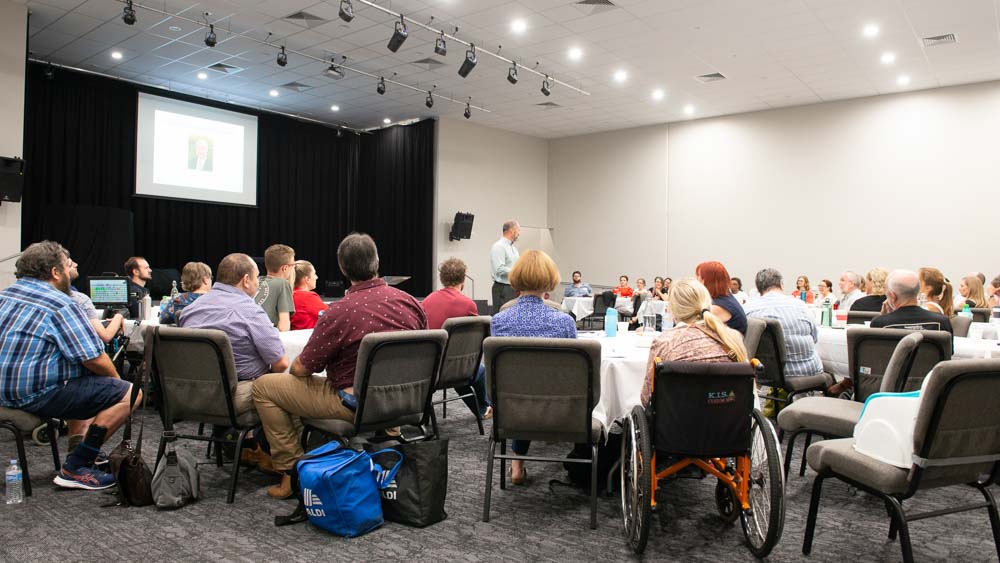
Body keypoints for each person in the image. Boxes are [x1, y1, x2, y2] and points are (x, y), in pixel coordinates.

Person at [252, 234, 426, 498]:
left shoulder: (339, 312)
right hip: (408, 401)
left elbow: (302, 369)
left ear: (342, 268)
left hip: (355, 405)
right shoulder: (411, 303)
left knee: (265, 387)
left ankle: (290, 472)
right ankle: (388, 435)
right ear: (377, 262)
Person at [0, 241, 138, 490]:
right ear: (55, 272)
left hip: (3, 391)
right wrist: (117, 383)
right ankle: (76, 466)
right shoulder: (61, 303)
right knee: (131, 393)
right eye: (66, 266)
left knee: (78, 379)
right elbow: (94, 357)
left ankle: (82, 451)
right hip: (32, 395)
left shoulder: (4, 295)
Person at [179, 254, 289, 455]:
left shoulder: (190, 310)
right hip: (232, 397)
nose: (257, 283)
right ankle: (277, 457)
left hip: (191, 396)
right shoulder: (250, 312)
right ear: (246, 280)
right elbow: (280, 363)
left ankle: (238, 445)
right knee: (288, 390)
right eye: (257, 277)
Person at [490, 249, 576, 486]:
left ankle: (517, 464)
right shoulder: (564, 322)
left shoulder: (498, 321)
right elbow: (573, 374)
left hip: (513, 408)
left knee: (522, 384)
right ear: (550, 280)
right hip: (558, 408)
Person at [641, 278, 748, 406]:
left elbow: (646, 398)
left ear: (673, 310)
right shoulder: (732, 338)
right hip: (729, 421)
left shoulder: (664, 341)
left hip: (677, 422)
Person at [422, 257, 489, 419]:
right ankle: (483, 408)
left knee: (460, 368)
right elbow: (478, 338)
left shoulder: (426, 301)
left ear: (442, 278)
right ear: (463, 278)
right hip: (456, 368)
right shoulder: (468, 304)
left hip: (428, 369)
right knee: (480, 371)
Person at [744, 268, 824, 378]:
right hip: (808, 373)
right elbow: (815, 338)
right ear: (781, 284)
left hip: (765, 374)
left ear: (758, 288)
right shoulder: (801, 306)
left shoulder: (747, 309)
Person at [871, 270, 953, 334]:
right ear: (917, 291)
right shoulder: (941, 321)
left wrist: (883, 317)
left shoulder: (880, 323)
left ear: (893, 296)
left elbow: (875, 352)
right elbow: (948, 352)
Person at [67, 260, 124, 343]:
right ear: (55, 272)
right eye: (70, 264)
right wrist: (119, 316)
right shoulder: (80, 299)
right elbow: (105, 336)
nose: (76, 264)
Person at [696, 261, 747, 335]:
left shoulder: (717, 307)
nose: (696, 280)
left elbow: (698, 334)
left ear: (707, 280)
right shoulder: (726, 299)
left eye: (698, 276)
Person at [254, 244, 296, 332]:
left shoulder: (257, 281)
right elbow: (284, 327)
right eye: (293, 264)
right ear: (285, 268)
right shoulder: (282, 283)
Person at [490, 220, 521, 313]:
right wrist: (518, 271)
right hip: (503, 289)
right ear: (512, 230)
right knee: (502, 317)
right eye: (518, 230)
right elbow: (499, 269)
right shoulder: (499, 246)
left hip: (513, 288)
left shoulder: (514, 249)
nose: (519, 233)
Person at [290, 260, 327, 330]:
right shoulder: (307, 297)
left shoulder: (290, 294)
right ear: (307, 279)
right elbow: (332, 314)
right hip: (308, 337)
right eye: (314, 274)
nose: (317, 277)